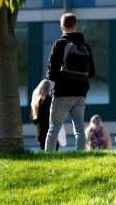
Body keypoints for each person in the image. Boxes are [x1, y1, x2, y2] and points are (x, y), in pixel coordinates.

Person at [45, 13, 95, 151]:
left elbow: (51, 71)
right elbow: (91, 73)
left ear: (62, 27)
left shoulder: (59, 44)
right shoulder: (85, 46)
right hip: (80, 93)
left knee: (54, 129)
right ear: (76, 26)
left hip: (62, 92)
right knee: (79, 129)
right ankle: (80, 157)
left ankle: (48, 159)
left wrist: (57, 78)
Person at [30, 79, 55, 150]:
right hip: (52, 132)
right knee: (54, 154)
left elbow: (33, 118)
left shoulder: (36, 101)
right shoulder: (51, 99)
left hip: (40, 133)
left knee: (44, 152)